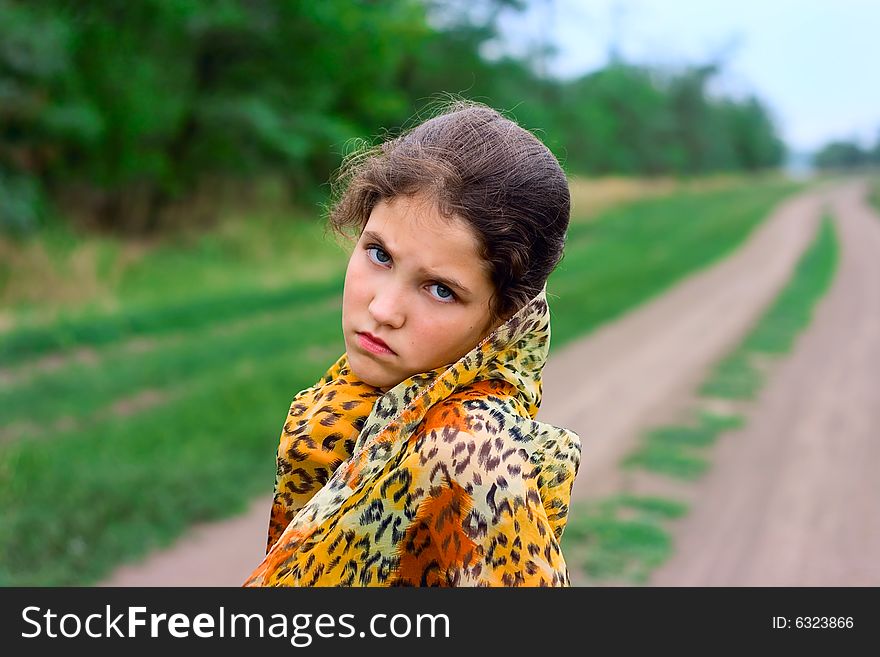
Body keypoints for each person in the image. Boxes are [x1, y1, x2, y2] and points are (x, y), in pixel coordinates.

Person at [243, 98, 581, 587]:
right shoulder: (360, 404)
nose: (383, 310)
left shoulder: (470, 450)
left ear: (506, 315)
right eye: (379, 254)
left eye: (440, 289)